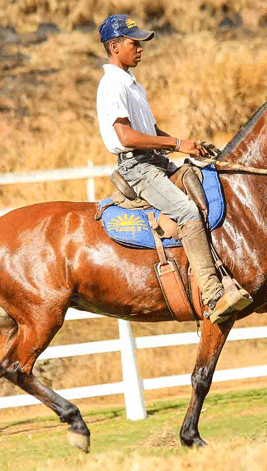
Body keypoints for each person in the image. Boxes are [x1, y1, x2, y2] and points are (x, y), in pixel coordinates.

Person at [95, 14, 246, 323]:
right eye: (134, 43)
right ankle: (213, 294)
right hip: (137, 167)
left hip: (153, 159)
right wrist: (177, 144)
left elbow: (151, 130)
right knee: (187, 212)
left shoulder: (131, 84)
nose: (140, 49)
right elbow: (126, 136)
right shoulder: (112, 85)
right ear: (114, 46)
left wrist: (187, 145)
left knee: (197, 178)